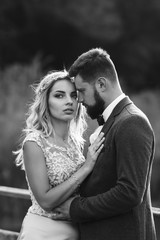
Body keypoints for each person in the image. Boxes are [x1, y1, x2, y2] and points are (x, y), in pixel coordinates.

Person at [52, 48, 157, 240]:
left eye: (82, 91)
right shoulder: (115, 121)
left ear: (101, 84)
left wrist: (76, 208)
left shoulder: (132, 122)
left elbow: (130, 192)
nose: (79, 100)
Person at [14, 70, 105, 240]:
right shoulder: (34, 143)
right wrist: (86, 168)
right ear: (46, 101)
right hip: (43, 232)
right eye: (59, 96)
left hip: (76, 231)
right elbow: (46, 201)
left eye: (73, 95)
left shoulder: (75, 142)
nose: (69, 101)